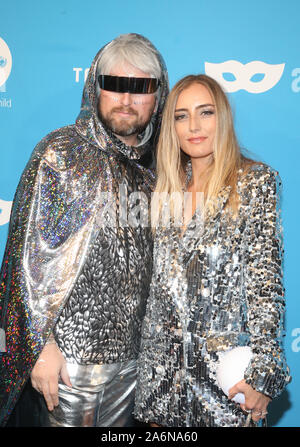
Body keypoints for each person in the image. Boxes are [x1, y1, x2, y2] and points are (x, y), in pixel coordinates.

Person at [0, 33, 169, 427]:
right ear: (95, 88)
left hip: (136, 369)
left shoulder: (162, 167)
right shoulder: (60, 152)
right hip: (68, 369)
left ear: (158, 98)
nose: (126, 100)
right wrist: (41, 348)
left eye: (140, 87)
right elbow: (23, 261)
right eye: (114, 85)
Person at [134, 74, 291, 427]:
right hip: (160, 384)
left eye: (205, 113)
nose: (193, 126)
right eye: (180, 115)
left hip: (225, 385)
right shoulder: (160, 190)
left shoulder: (253, 182)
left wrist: (263, 372)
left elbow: (264, 286)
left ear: (223, 118)